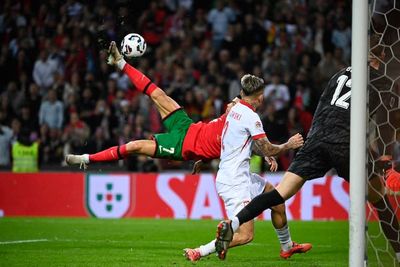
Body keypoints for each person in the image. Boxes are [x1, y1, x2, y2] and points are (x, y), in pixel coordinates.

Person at [66, 41, 310, 261]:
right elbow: (251, 140)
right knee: (156, 95)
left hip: (188, 147)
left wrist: (255, 151)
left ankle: (286, 245)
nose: (232, 103)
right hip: (189, 130)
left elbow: (248, 142)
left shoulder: (239, 113)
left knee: (274, 197)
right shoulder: (241, 111)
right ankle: (119, 64)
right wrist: (276, 148)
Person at [214, 39, 400, 262]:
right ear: (385, 57)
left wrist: (315, 138)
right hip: (345, 143)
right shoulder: (383, 82)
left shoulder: (339, 74)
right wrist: (385, 159)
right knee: (379, 199)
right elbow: (384, 124)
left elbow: (324, 107)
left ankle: (233, 223)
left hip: (317, 140)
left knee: (278, 194)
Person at [213, 74, 309, 260]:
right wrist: (288, 145)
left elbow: (254, 144)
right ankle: (205, 249)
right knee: (246, 235)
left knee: (276, 200)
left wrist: (266, 154)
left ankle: (287, 246)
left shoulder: (234, 108)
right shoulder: (251, 117)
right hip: (235, 180)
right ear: (261, 96)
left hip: (239, 175)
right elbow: (267, 146)